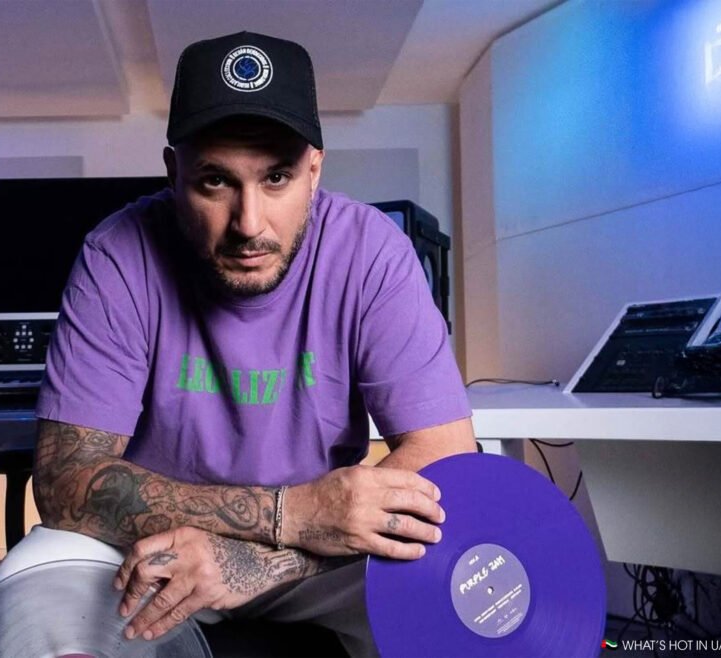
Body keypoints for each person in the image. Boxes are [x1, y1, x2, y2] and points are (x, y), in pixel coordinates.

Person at [30, 30, 475, 657]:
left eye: (277, 178)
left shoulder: (371, 251)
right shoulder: (118, 253)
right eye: (214, 181)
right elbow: (62, 481)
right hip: (155, 551)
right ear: (173, 172)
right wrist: (287, 513)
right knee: (35, 582)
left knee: (470, 579)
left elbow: (447, 455)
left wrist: (256, 559)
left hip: (320, 560)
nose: (248, 223)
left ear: (315, 171)